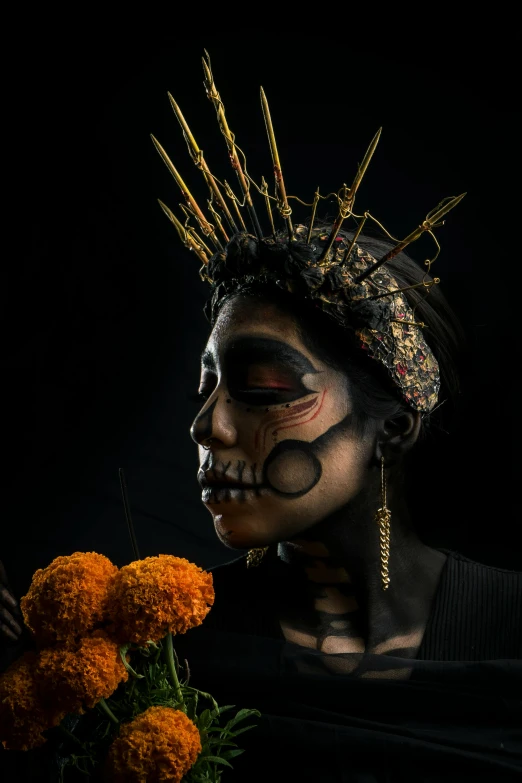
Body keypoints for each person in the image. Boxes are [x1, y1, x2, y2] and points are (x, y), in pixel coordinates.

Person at [156, 54, 522, 781]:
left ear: (394, 423)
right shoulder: (171, 647)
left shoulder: (510, 623)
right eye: (207, 387)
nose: (209, 425)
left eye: (261, 387)